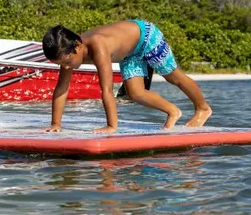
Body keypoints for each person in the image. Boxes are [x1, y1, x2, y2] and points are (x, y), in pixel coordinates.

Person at [41, 20, 212, 132]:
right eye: (59, 64)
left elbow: (107, 89)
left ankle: (203, 108)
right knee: (135, 93)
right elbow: (61, 89)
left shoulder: (97, 46)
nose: (65, 67)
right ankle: (173, 112)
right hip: (129, 52)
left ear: (77, 47)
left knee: (172, 76)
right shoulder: (67, 53)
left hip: (146, 38)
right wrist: (56, 124)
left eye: (65, 62)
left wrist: (110, 126)